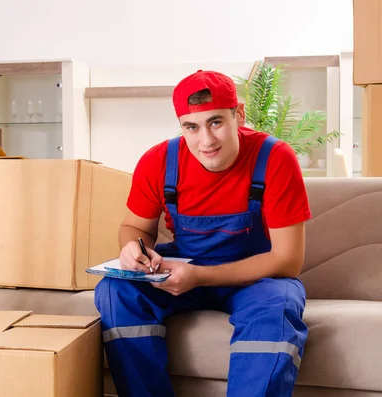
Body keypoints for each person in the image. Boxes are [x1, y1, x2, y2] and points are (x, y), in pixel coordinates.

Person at [94, 69, 311, 397]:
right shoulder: (159, 161)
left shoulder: (274, 158)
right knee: (116, 290)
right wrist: (133, 248)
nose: (206, 141)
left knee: (278, 305)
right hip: (185, 268)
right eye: (191, 127)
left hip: (256, 278)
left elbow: (288, 261)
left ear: (238, 115)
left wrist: (199, 275)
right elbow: (135, 227)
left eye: (216, 122)